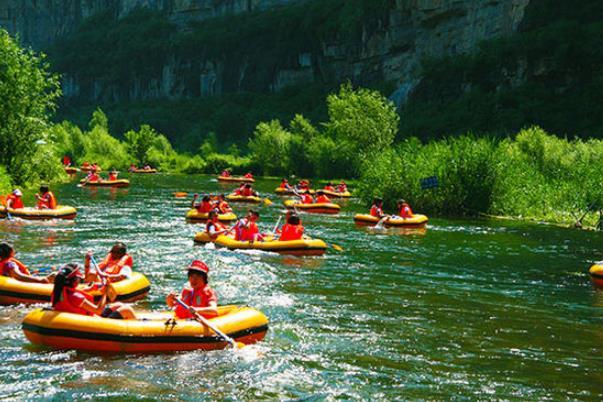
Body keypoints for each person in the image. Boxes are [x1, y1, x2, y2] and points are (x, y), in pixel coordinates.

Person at [51, 263, 136, 319]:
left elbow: (76, 294)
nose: (80, 279)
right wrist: (105, 294)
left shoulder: (59, 291)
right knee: (126, 309)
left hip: (85, 318)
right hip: (94, 323)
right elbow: (98, 310)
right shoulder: (76, 297)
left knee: (118, 305)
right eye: (77, 278)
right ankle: (136, 332)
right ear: (71, 281)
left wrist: (91, 289)